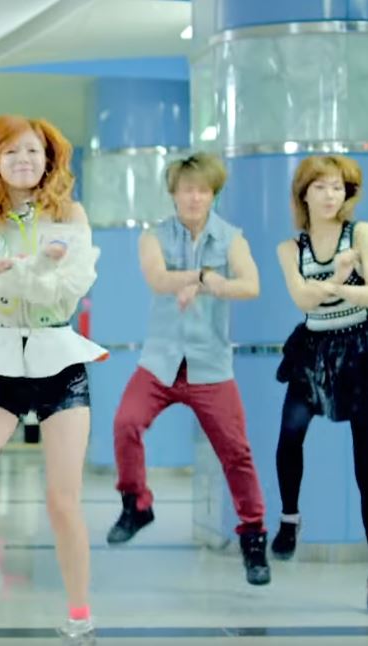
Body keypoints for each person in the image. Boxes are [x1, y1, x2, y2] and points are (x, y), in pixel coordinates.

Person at [0, 115, 107, 644]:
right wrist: (36, 270)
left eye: (33, 151)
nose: (23, 160)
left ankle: (80, 613)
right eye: (10, 152)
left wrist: (23, 274)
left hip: (60, 362)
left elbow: (71, 288)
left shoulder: (71, 216)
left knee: (62, 500)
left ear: (49, 159)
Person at [108, 152, 271, 587]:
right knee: (126, 423)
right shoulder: (154, 236)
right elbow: (158, 279)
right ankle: (136, 505)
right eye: (186, 190)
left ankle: (253, 536)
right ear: (174, 193)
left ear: (213, 193)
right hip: (160, 361)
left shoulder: (231, 239)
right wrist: (201, 277)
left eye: (202, 190)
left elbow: (252, 285)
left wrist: (214, 284)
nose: (194, 197)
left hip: (210, 364)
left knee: (236, 453)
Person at [273, 155, 368, 606]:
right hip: (313, 348)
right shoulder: (290, 248)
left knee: (365, 461)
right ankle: (289, 519)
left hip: (360, 347)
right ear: (304, 193)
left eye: (338, 187)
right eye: (321, 187)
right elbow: (301, 299)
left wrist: (336, 287)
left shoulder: (360, 233)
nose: (331, 195)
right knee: (290, 433)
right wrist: (342, 275)